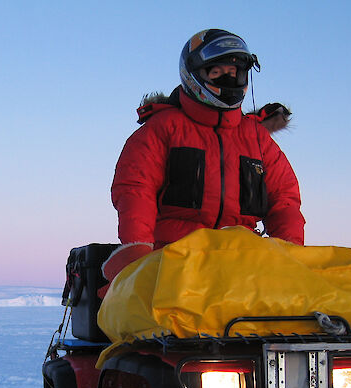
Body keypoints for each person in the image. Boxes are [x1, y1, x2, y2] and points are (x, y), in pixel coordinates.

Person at [101, 29, 305, 289]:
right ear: (195, 74)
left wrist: (290, 255)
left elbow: (284, 201)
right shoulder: (163, 128)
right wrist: (138, 253)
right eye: (217, 73)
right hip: (173, 262)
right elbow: (136, 191)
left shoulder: (257, 138)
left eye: (235, 73)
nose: (229, 80)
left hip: (243, 264)